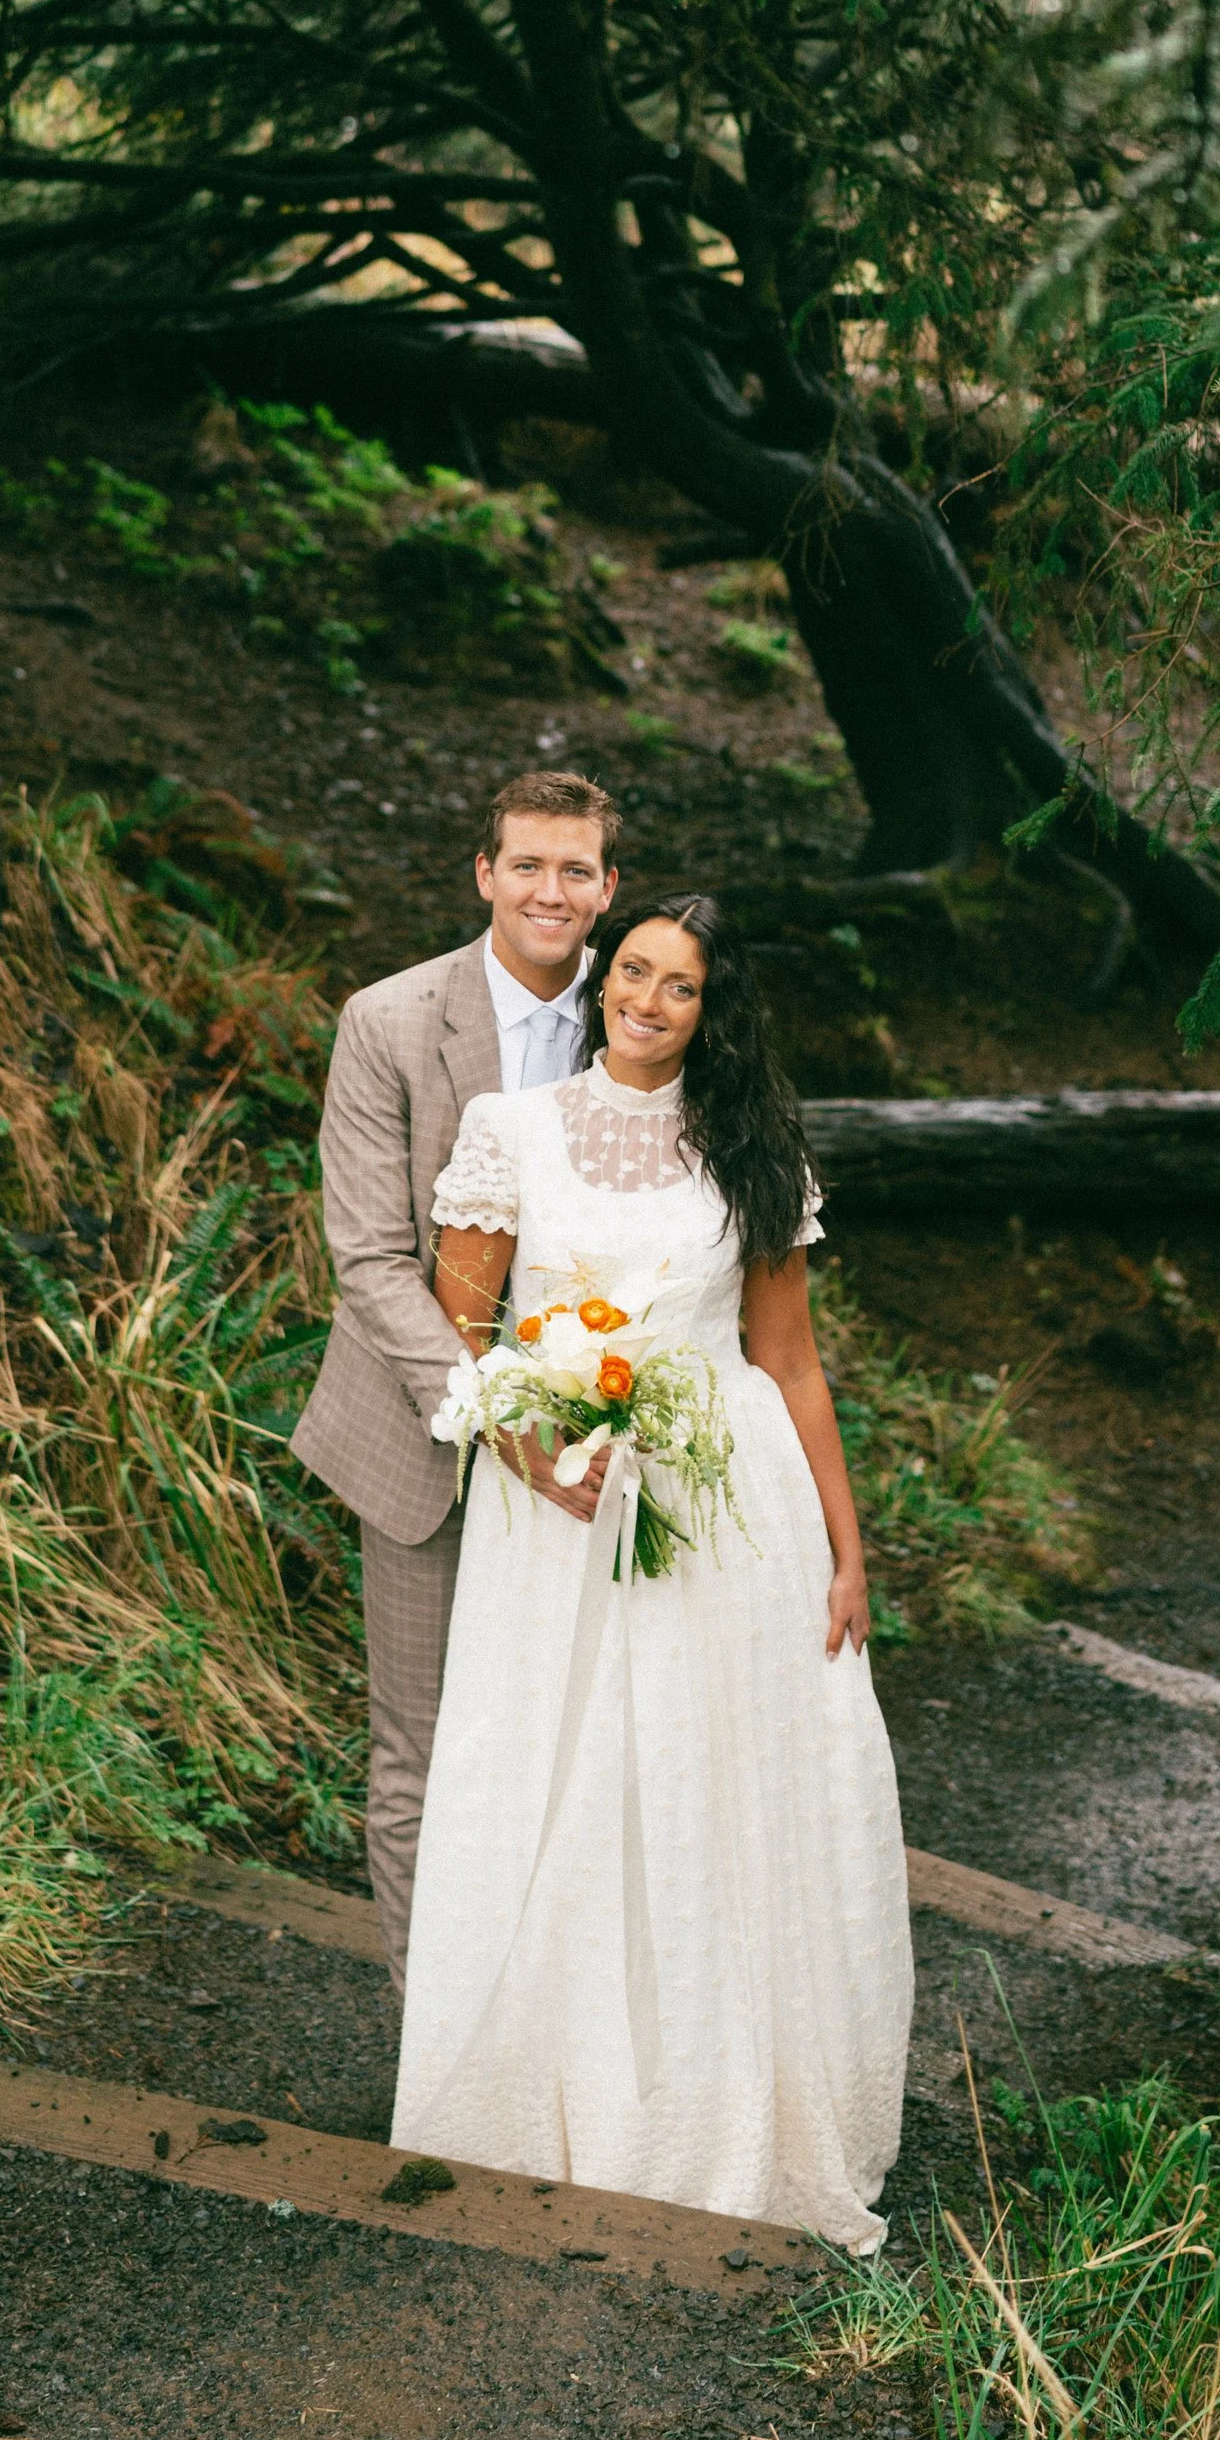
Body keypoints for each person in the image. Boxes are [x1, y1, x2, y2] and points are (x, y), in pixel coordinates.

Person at [390, 894, 911, 2252]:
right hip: (556, 1508)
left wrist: (850, 1551)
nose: (651, 1000)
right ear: (600, 981)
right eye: (634, 972)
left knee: (700, 1778)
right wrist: (526, 1446)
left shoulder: (750, 1150)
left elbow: (789, 1360)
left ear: (710, 1008)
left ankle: (707, 2104)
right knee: (550, 1771)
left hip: (725, 1501)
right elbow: (462, 1330)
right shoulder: (513, 1130)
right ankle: (541, 2098)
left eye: (682, 986)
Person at [295, 769, 623, 1986]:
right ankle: (433, 2045)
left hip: (604, 1437)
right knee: (421, 1756)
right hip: (423, 1433)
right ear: (483, 874)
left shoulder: (639, 1014)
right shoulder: (388, 1022)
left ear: (607, 888)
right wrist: (502, 1418)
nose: (550, 890)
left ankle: (554, 2032)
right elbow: (371, 1261)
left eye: (574, 869)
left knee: (583, 1745)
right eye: (525, 865)